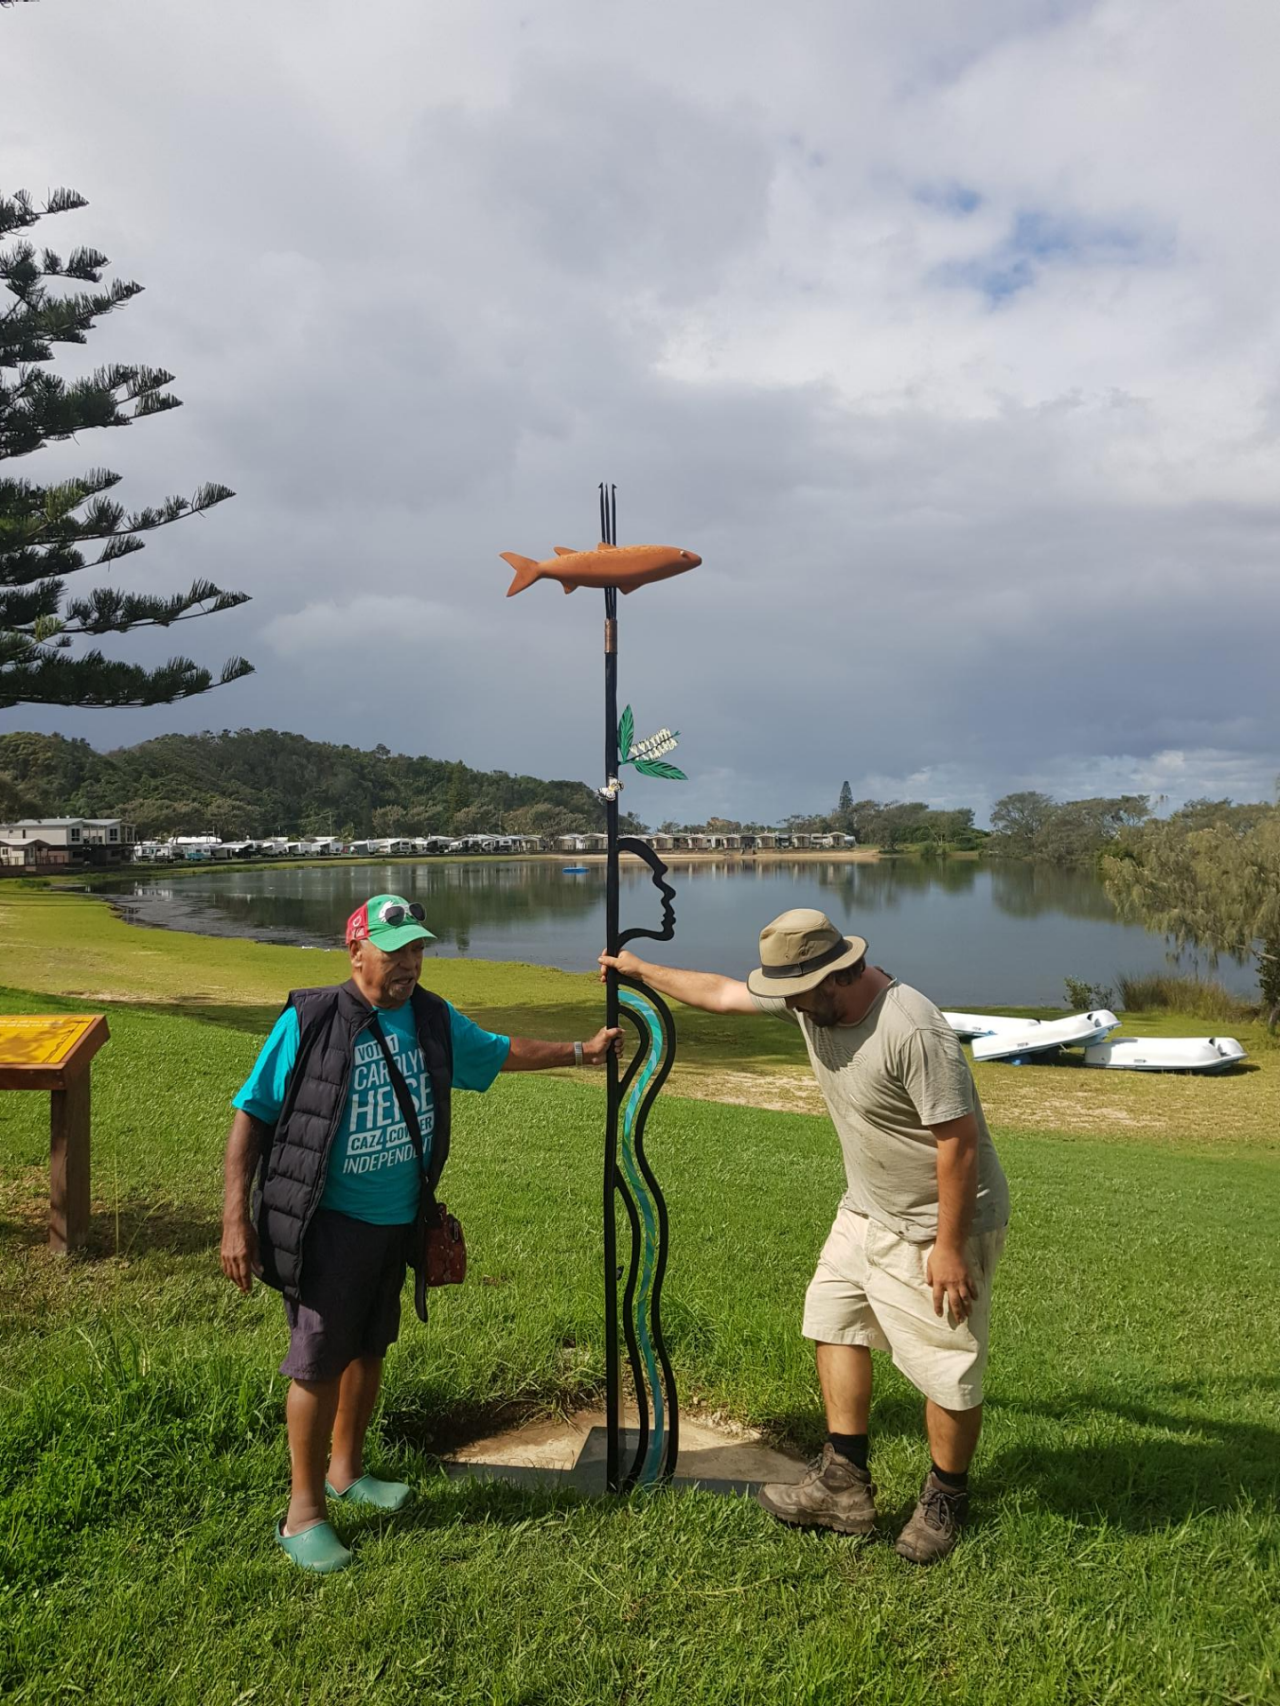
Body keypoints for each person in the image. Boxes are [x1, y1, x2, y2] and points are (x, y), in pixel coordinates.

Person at [222, 893, 621, 1574]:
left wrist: (582, 1051)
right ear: (356, 951)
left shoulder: (432, 1018)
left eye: (417, 949)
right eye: (394, 949)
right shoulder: (311, 1018)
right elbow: (252, 1115)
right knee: (317, 1362)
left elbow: (499, 1053)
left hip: (396, 1220)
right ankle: (303, 1513)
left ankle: (348, 1471)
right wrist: (234, 1220)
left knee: (370, 1347)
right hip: (326, 1223)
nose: (409, 963)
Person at [601, 907, 1009, 1563]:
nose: (786, 1005)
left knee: (945, 1369)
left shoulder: (913, 1028)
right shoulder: (810, 1000)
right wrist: (641, 969)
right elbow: (725, 994)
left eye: (795, 993)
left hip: (940, 1221)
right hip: (866, 1207)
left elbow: (957, 1145)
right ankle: (843, 1482)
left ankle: (945, 1499)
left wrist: (950, 1248)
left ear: (836, 976)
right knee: (833, 1319)